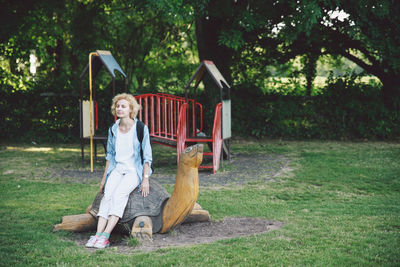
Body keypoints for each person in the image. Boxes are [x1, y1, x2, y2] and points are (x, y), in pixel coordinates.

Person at [85, 93, 152, 249]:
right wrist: (104, 179)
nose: (120, 108)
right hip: (117, 169)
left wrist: (145, 178)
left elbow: (147, 156)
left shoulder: (141, 128)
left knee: (119, 195)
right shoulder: (113, 128)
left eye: (124, 106)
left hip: (133, 171)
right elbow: (110, 155)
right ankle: (97, 235)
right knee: (107, 196)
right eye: (118, 106)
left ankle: (106, 236)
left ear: (131, 109)